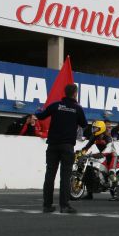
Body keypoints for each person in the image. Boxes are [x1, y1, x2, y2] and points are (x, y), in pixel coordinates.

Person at [35, 83, 87, 214]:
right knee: (65, 176)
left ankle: (47, 205)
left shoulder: (55, 105)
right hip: (67, 146)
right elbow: (84, 124)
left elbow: (40, 116)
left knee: (49, 175)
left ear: (65, 92)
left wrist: (37, 111)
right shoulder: (77, 108)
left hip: (52, 145)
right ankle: (64, 206)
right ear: (75, 94)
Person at [79, 120, 117, 200]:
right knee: (89, 171)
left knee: (111, 173)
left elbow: (109, 149)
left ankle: (116, 194)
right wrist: (80, 153)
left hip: (111, 156)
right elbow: (87, 147)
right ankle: (89, 194)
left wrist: (100, 154)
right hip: (102, 155)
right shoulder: (94, 137)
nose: (94, 130)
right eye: (93, 128)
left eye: (96, 128)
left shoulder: (107, 137)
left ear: (101, 128)